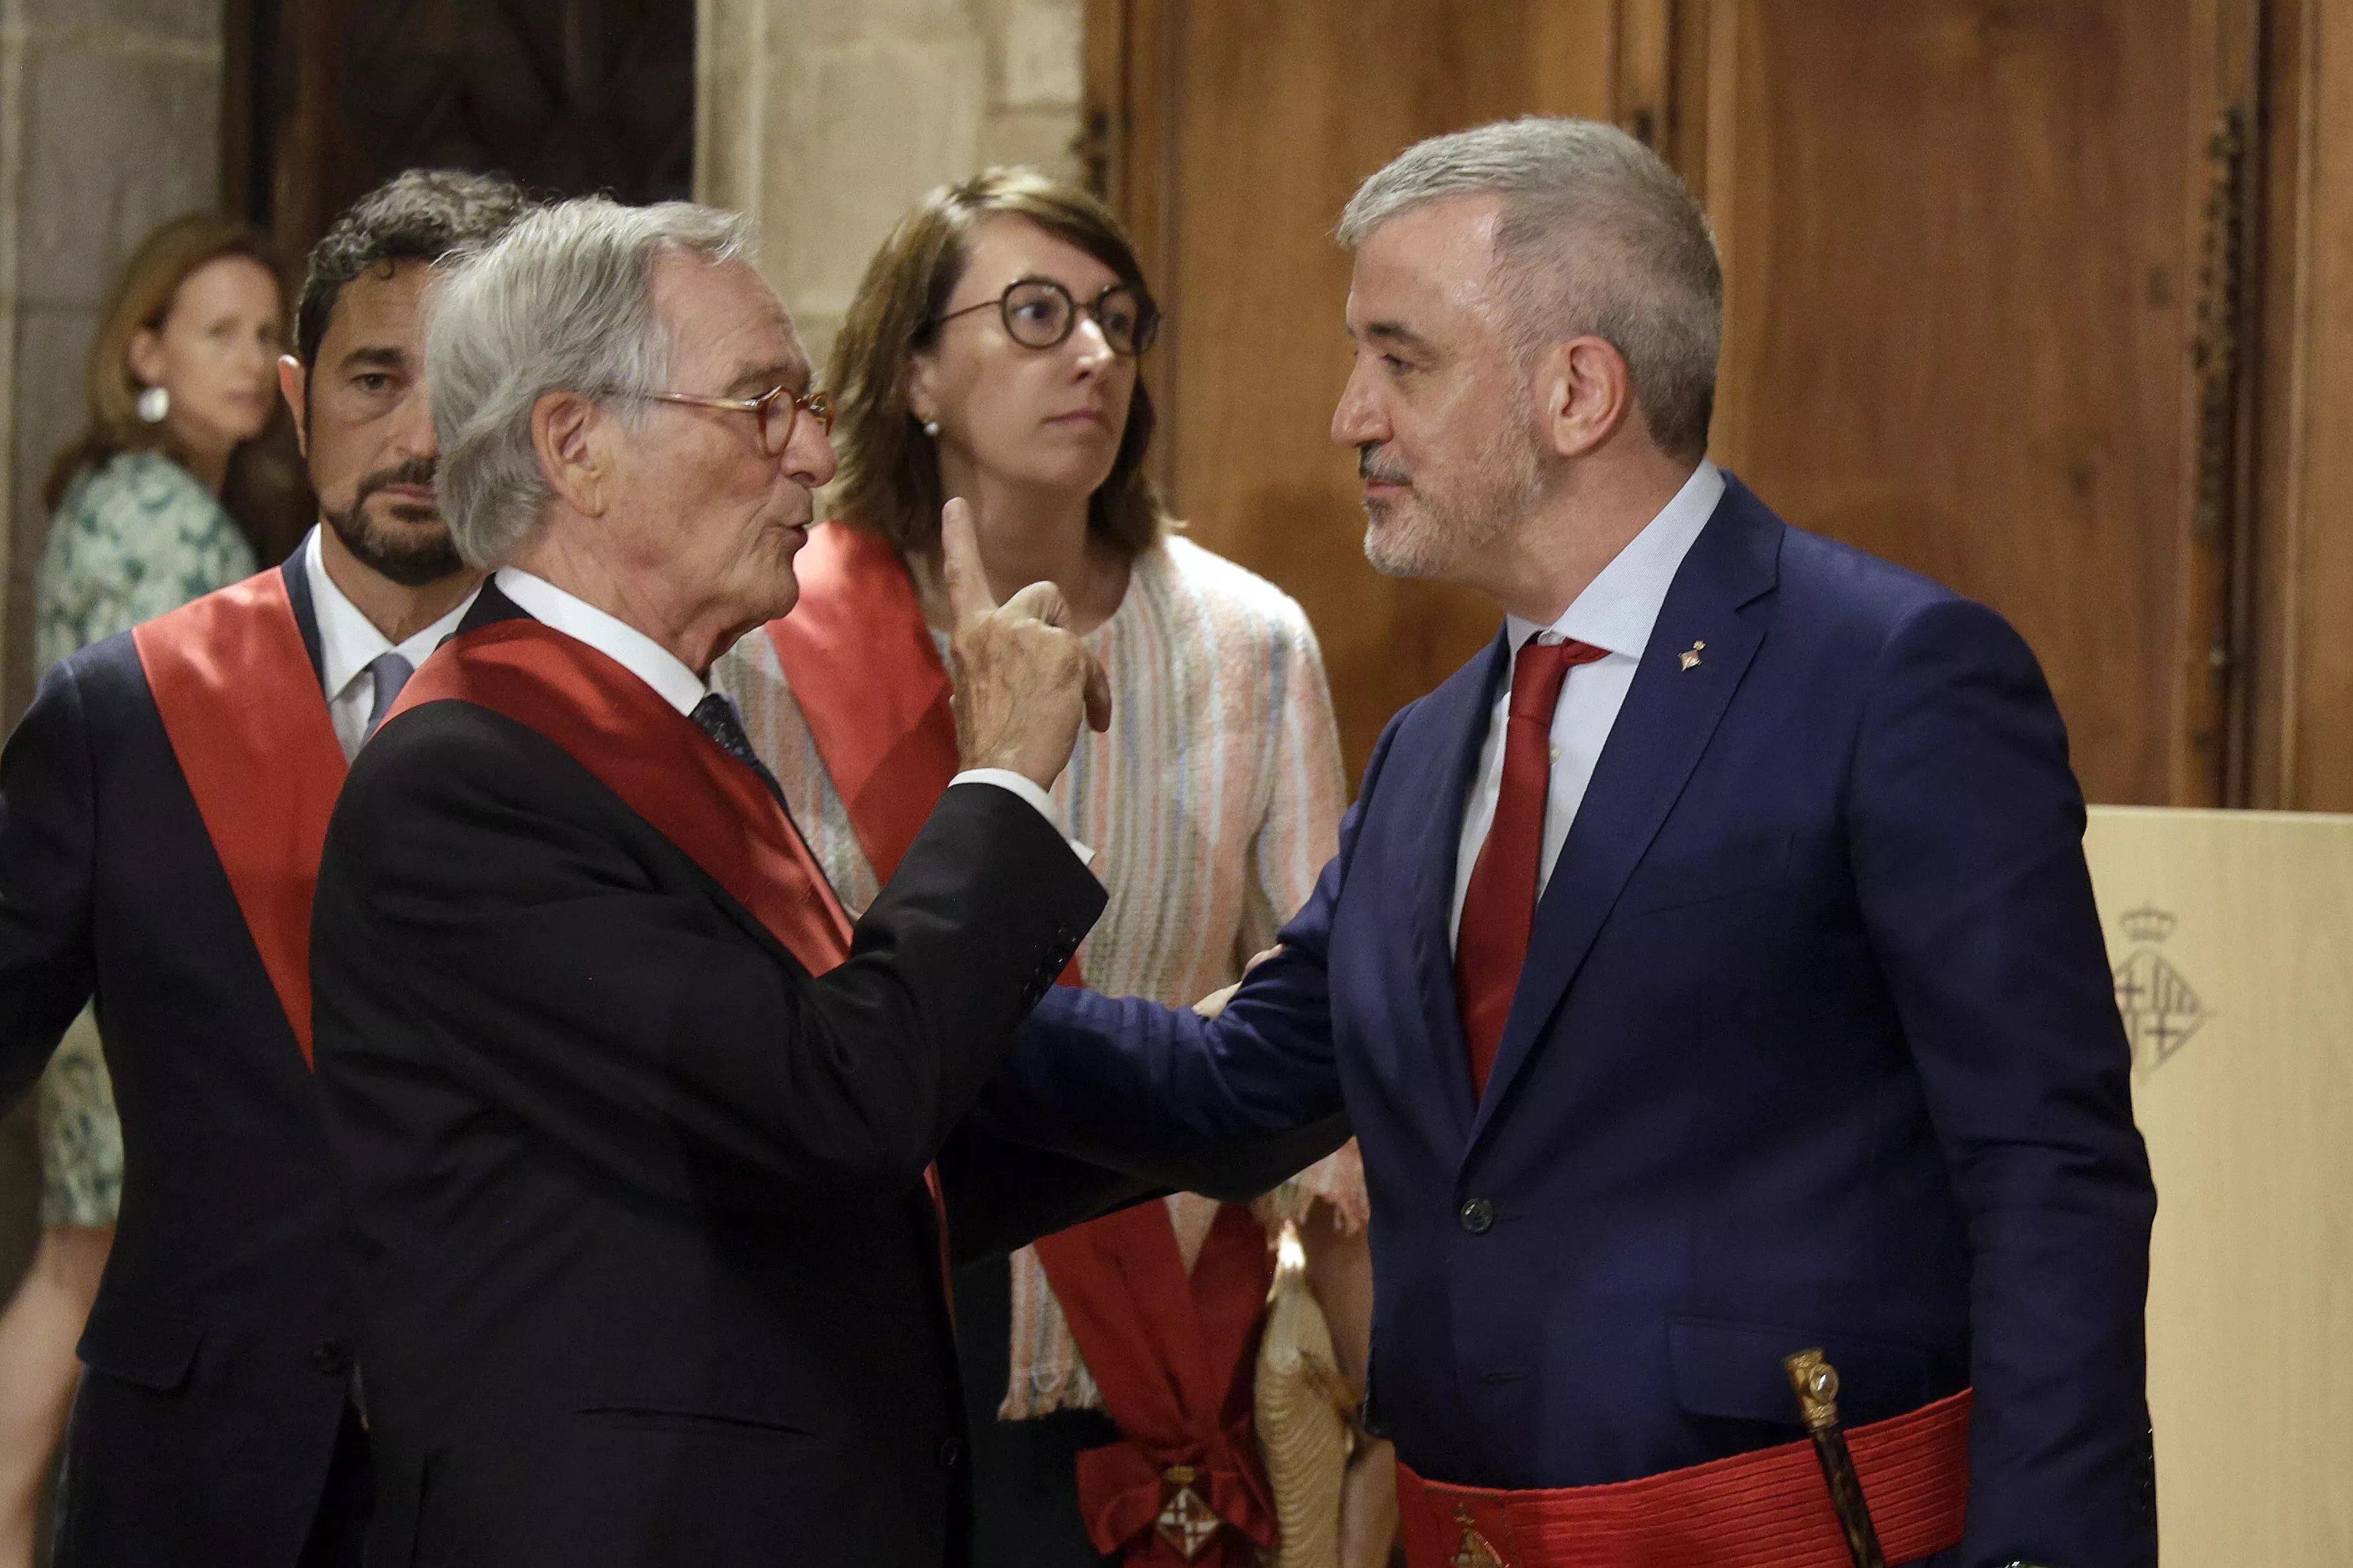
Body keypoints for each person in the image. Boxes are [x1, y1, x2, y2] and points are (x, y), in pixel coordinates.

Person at [984, 118, 2159, 1567]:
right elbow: (1246, 1082)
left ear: (1577, 389)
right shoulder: (1428, 746)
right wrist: (882, 1009)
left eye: (1398, 357)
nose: (1349, 412)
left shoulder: (1894, 675)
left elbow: (2050, 1175)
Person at [309, 194, 1240, 1567]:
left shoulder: (656, 718)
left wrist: (1273, 1065)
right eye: (761, 406)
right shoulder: (465, 775)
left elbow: (823, 1106)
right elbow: (837, 1104)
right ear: (577, 445)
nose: (813, 452)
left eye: (802, 403)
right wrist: (1003, 779)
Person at [711, 167, 1388, 1568]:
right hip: (858, 1336)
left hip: (1153, 1362)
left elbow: (1326, 1029)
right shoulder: (774, 642)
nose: (1090, 354)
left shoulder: (1246, 642)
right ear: (914, 372)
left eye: (1116, 319)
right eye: (1033, 314)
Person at [0, 168, 527, 1567]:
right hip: (188, 1476)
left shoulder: (625, 718)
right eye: (373, 379)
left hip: (525, 1474)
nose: (419, 437)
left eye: (468, 385)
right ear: (298, 400)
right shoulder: (122, 717)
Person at [0, 212, 290, 1567]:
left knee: (79, 1261)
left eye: (265, 332)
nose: (252, 357)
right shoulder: (163, 516)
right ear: (144, 349)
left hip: (93, 949)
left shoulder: (125, 496)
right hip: (127, 966)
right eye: (217, 330)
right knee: (81, 1270)